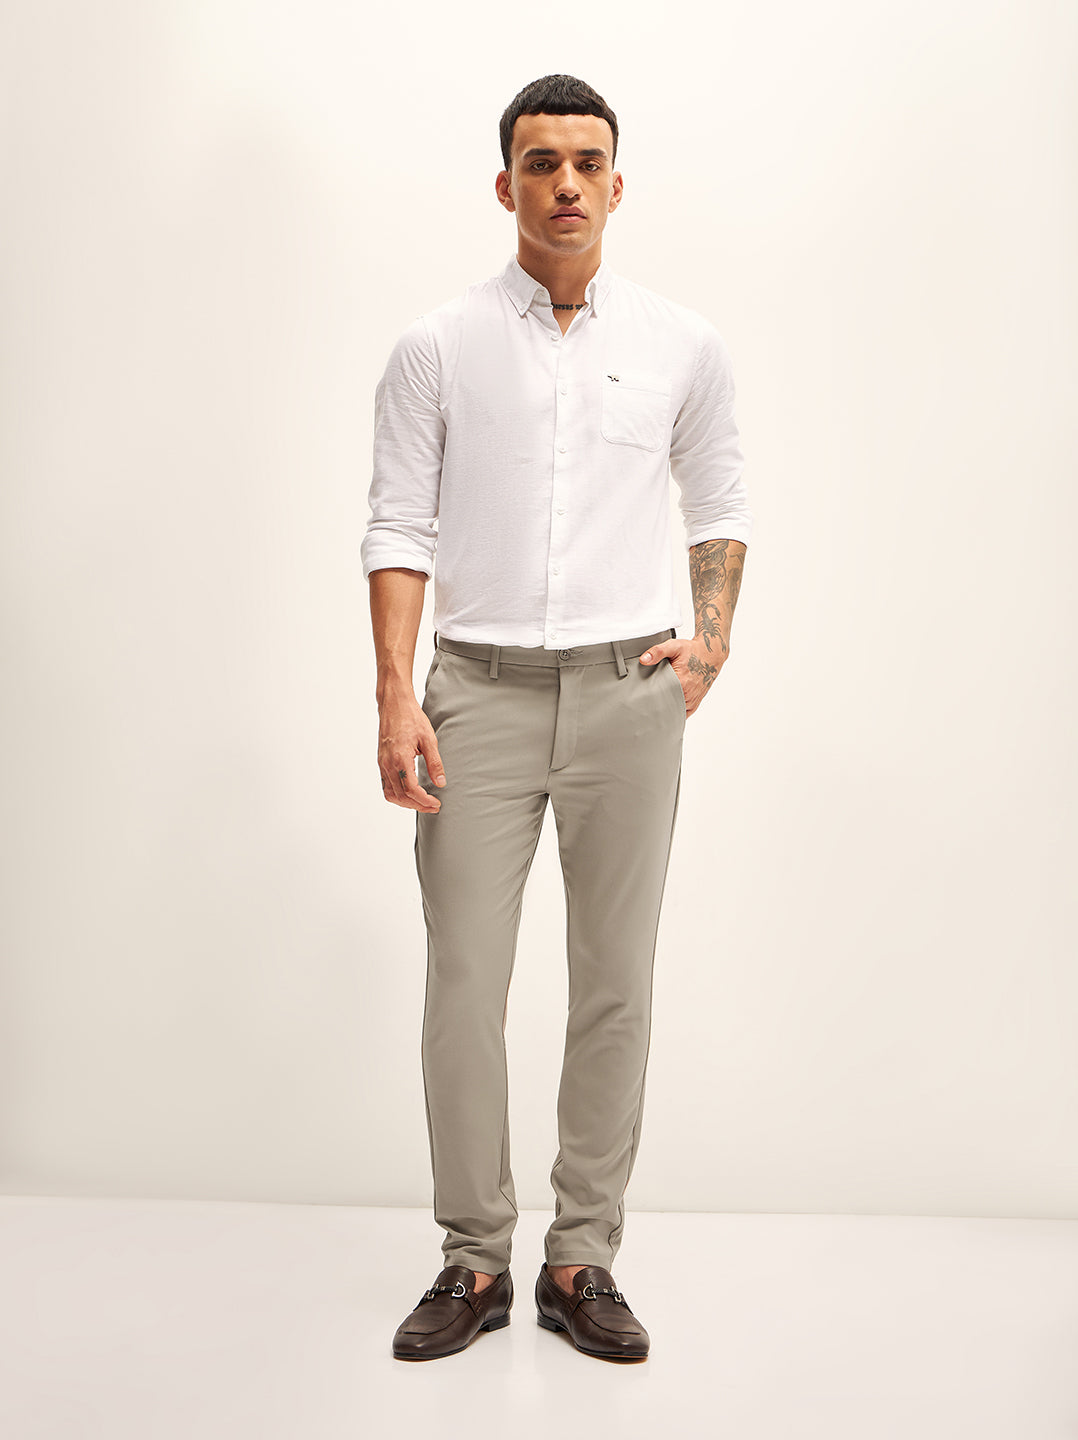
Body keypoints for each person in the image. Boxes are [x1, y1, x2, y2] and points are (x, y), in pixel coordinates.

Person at [361, 73, 752, 1363]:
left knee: (614, 983)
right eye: (542, 162)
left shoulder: (683, 344)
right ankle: (475, 1257)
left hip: (629, 697)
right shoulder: (437, 346)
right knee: (463, 984)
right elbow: (398, 526)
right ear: (506, 184)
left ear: (618, 185)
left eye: (588, 162)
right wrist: (396, 695)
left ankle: (582, 1256)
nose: (566, 183)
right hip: (474, 694)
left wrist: (709, 642)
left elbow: (720, 501)